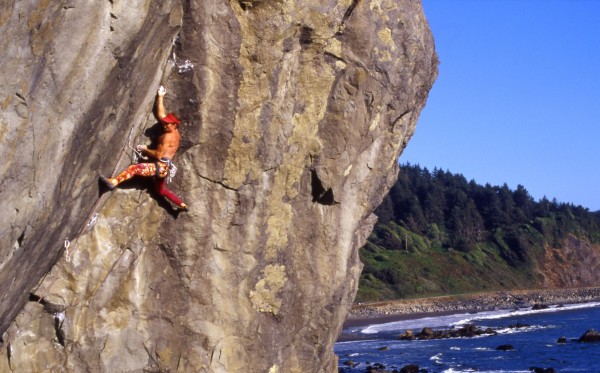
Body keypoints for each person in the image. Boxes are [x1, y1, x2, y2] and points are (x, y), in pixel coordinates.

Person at [100, 85, 188, 211]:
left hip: (160, 166)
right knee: (160, 190)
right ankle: (181, 204)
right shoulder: (173, 131)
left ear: (174, 125)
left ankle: (113, 182)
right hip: (164, 169)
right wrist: (160, 96)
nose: (164, 125)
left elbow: (158, 155)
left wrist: (145, 149)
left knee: (135, 169)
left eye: (168, 124)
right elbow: (161, 115)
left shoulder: (169, 137)